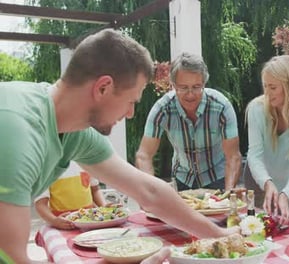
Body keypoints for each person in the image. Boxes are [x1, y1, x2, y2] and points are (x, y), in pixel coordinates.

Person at [0, 29, 238, 263]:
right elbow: (12, 258)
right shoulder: (16, 130)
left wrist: (221, 235)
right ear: (103, 88)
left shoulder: (73, 130)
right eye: (131, 101)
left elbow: (150, 192)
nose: (132, 113)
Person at [136, 52, 242, 191]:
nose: (190, 94)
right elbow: (144, 155)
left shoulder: (221, 107)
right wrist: (149, 192)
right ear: (173, 85)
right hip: (182, 178)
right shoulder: (162, 109)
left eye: (196, 87)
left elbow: (233, 156)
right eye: (183, 88)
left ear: (204, 83)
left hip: (218, 177)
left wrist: (228, 194)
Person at [245, 55, 289, 225]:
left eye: (273, 87)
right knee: (252, 228)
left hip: (286, 186)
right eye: (265, 86)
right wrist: (267, 184)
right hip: (257, 180)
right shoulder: (256, 109)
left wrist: (287, 193)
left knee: (279, 229)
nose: (267, 93)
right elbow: (254, 155)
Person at [34, 171, 106, 230]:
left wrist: (105, 207)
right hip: (64, 225)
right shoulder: (47, 168)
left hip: (91, 222)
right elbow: (40, 204)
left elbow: (95, 190)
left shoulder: (86, 161)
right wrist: (54, 221)